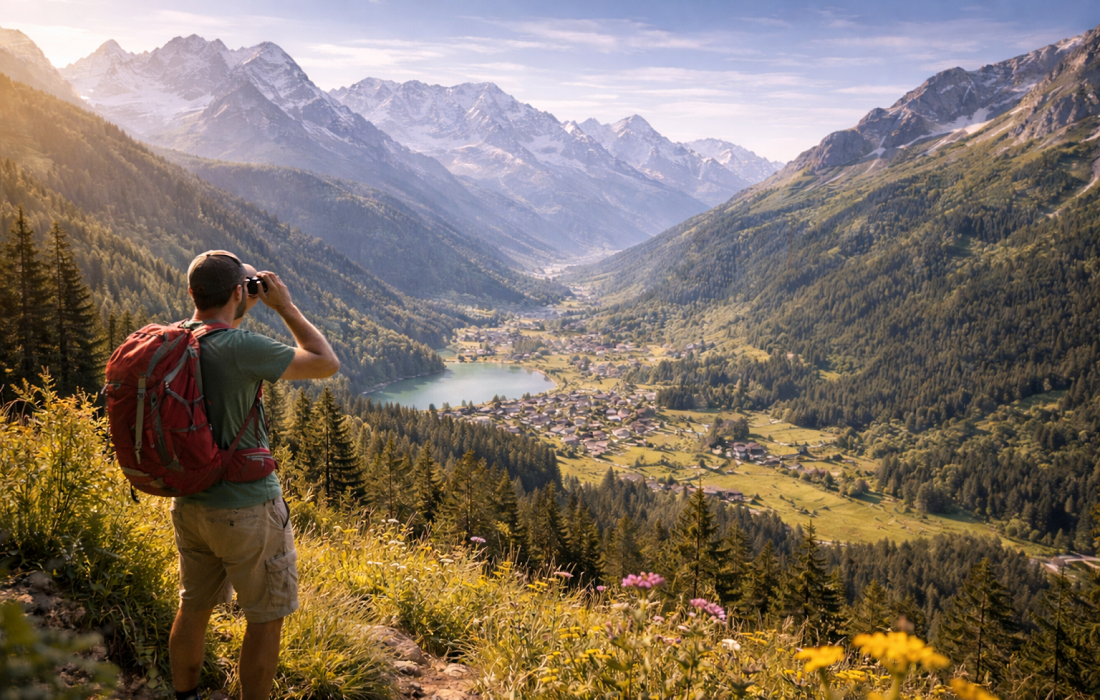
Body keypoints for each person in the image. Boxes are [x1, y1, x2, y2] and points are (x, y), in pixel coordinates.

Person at [169, 251, 339, 700]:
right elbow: (325, 362)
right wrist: (285, 307)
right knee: (265, 617)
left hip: (189, 503)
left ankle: (184, 695)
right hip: (247, 508)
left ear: (193, 292)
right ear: (241, 293)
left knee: (193, 607)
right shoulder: (239, 348)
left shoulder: (174, 341)